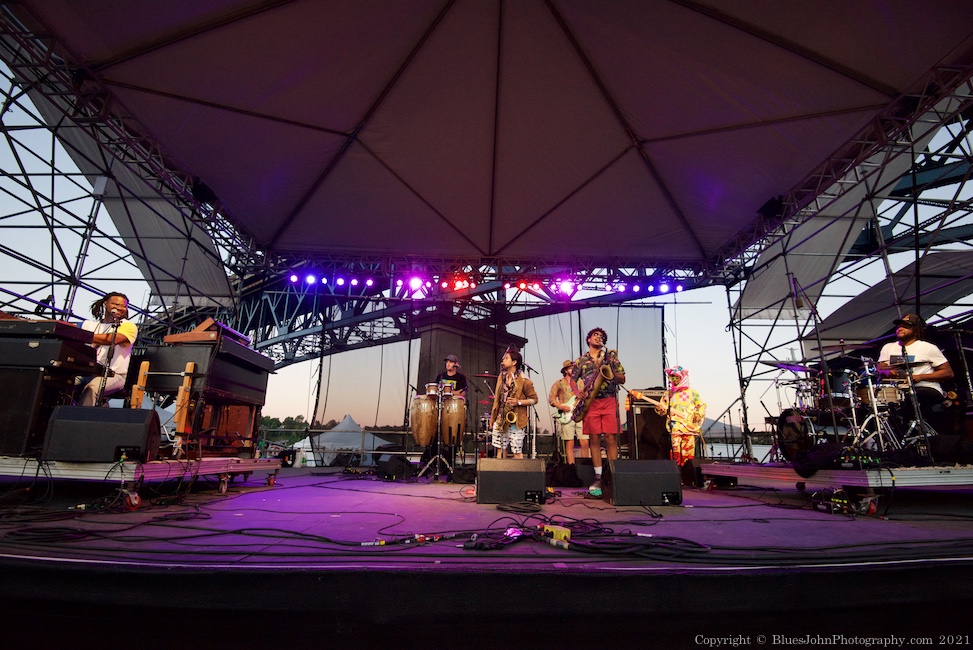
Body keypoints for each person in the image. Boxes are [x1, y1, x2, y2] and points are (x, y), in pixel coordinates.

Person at [877, 313, 953, 435]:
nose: (900, 329)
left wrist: (920, 377)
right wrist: (886, 371)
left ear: (916, 330)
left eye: (905, 326)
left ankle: (929, 436)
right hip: (899, 391)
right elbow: (880, 367)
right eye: (898, 326)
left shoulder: (928, 347)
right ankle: (900, 440)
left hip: (927, 388)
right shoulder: (888, 347)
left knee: (916, 397)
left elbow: (948, 373)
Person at [571, 327, 625, 496]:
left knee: (610, 437)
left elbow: (623, 378)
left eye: (601, 336)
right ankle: (598, 477)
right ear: (589, 339)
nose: (598, 337)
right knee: (594, 438)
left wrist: (612, 374)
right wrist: (576, 392)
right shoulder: (581, 360)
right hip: (590, 402)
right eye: (595, 335)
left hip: (609, 399)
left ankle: (613, 475)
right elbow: (572, 380)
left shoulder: (611, 357)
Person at [76, 292, 138, 407]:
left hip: (114, 375)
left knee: (92, 388)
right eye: (115, 304)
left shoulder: (128, 326)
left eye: (124, 306)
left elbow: (112, 339)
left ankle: (79, 421)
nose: (120, 308)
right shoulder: (88, 325)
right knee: (61, 382)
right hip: (85, 371)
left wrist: (84, 336)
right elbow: (67, 330)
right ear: (105, 304)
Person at [489, 350, 538, 459]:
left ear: (514, 362)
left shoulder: (525, 380)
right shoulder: (501, 377)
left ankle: (517, 475)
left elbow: (534, 399)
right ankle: (501, 473)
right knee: (500, 449)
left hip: (516, 420)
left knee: (516, 450)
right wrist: (493, 418)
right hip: (501, 417)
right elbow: (497, 399)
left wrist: (518, 402)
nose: (503, 360)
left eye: (506, 358)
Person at [654, 366, 707, 466]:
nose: (674, 380)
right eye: (672, 378)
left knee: (688, 450)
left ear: (683, 377)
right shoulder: (668, 394)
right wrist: (659, 409)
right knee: (675, 450)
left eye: (677, 378)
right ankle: (677, 471)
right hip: (675, 425)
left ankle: (688, 473)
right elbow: (663, 409)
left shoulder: (692, 393)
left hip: (689, 426)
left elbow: (701, 405)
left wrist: (698, 414)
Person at [549, 360, 589, 464]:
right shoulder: (559, 383)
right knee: (569, 443)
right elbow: (551, 398)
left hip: (580, 413)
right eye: (571, 368)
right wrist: (561, 407)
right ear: (566, 370)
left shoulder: (581, 382)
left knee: (584, 442)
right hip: (567, 415)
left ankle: (584, 465)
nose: (573, 370)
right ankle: (570, 466)